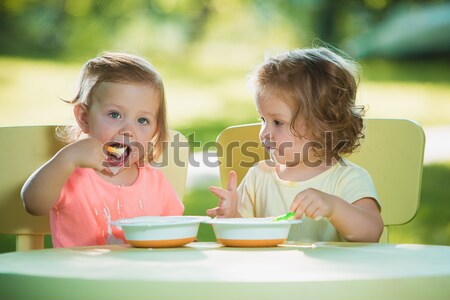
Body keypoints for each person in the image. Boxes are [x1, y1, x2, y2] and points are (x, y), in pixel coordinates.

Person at [207, 47, 384, 243]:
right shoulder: (259, 176)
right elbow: (246, 239)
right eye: (262, 119)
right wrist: (232, 217)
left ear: (319, 125)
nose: (264, 132)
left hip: (332, 273)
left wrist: (334, 207)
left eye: (277, 122)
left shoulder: (347, 178)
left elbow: (371, 233)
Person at [21, 52, 184, 247]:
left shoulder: (157, 183)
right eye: (114, 115)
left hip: (140, 276)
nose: (128, 131)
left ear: (154, 131)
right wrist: (67, 158)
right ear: (84, 117)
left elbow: (178, 239)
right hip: (79, 275)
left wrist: (224, 219)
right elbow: (33, 204)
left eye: (142, 120)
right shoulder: (70, 175)